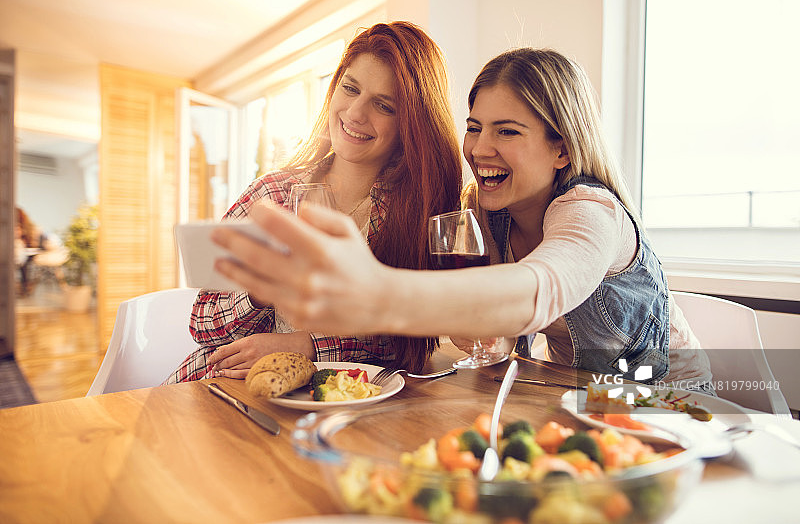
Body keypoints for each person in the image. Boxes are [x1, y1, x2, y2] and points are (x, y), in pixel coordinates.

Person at [211, 48, 712, 389]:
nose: (480, 149)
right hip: (578, 397)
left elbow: (534, 292)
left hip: (674, 405)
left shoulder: (592, 215)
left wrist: (375, 294)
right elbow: (487, 329)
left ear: (561, 148)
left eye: (508, 131)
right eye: (475, 128)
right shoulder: (480, 212)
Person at [164, 21, 463, 383]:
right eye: (350, 89)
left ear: (412, 122)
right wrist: (259, 288)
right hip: (229, 387)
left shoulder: (415, 213)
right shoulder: (272, 194)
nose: (355, 112)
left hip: (354, 399)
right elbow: (203, 324)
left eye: (383, 106)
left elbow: (410, 339)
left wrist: (306, 345)